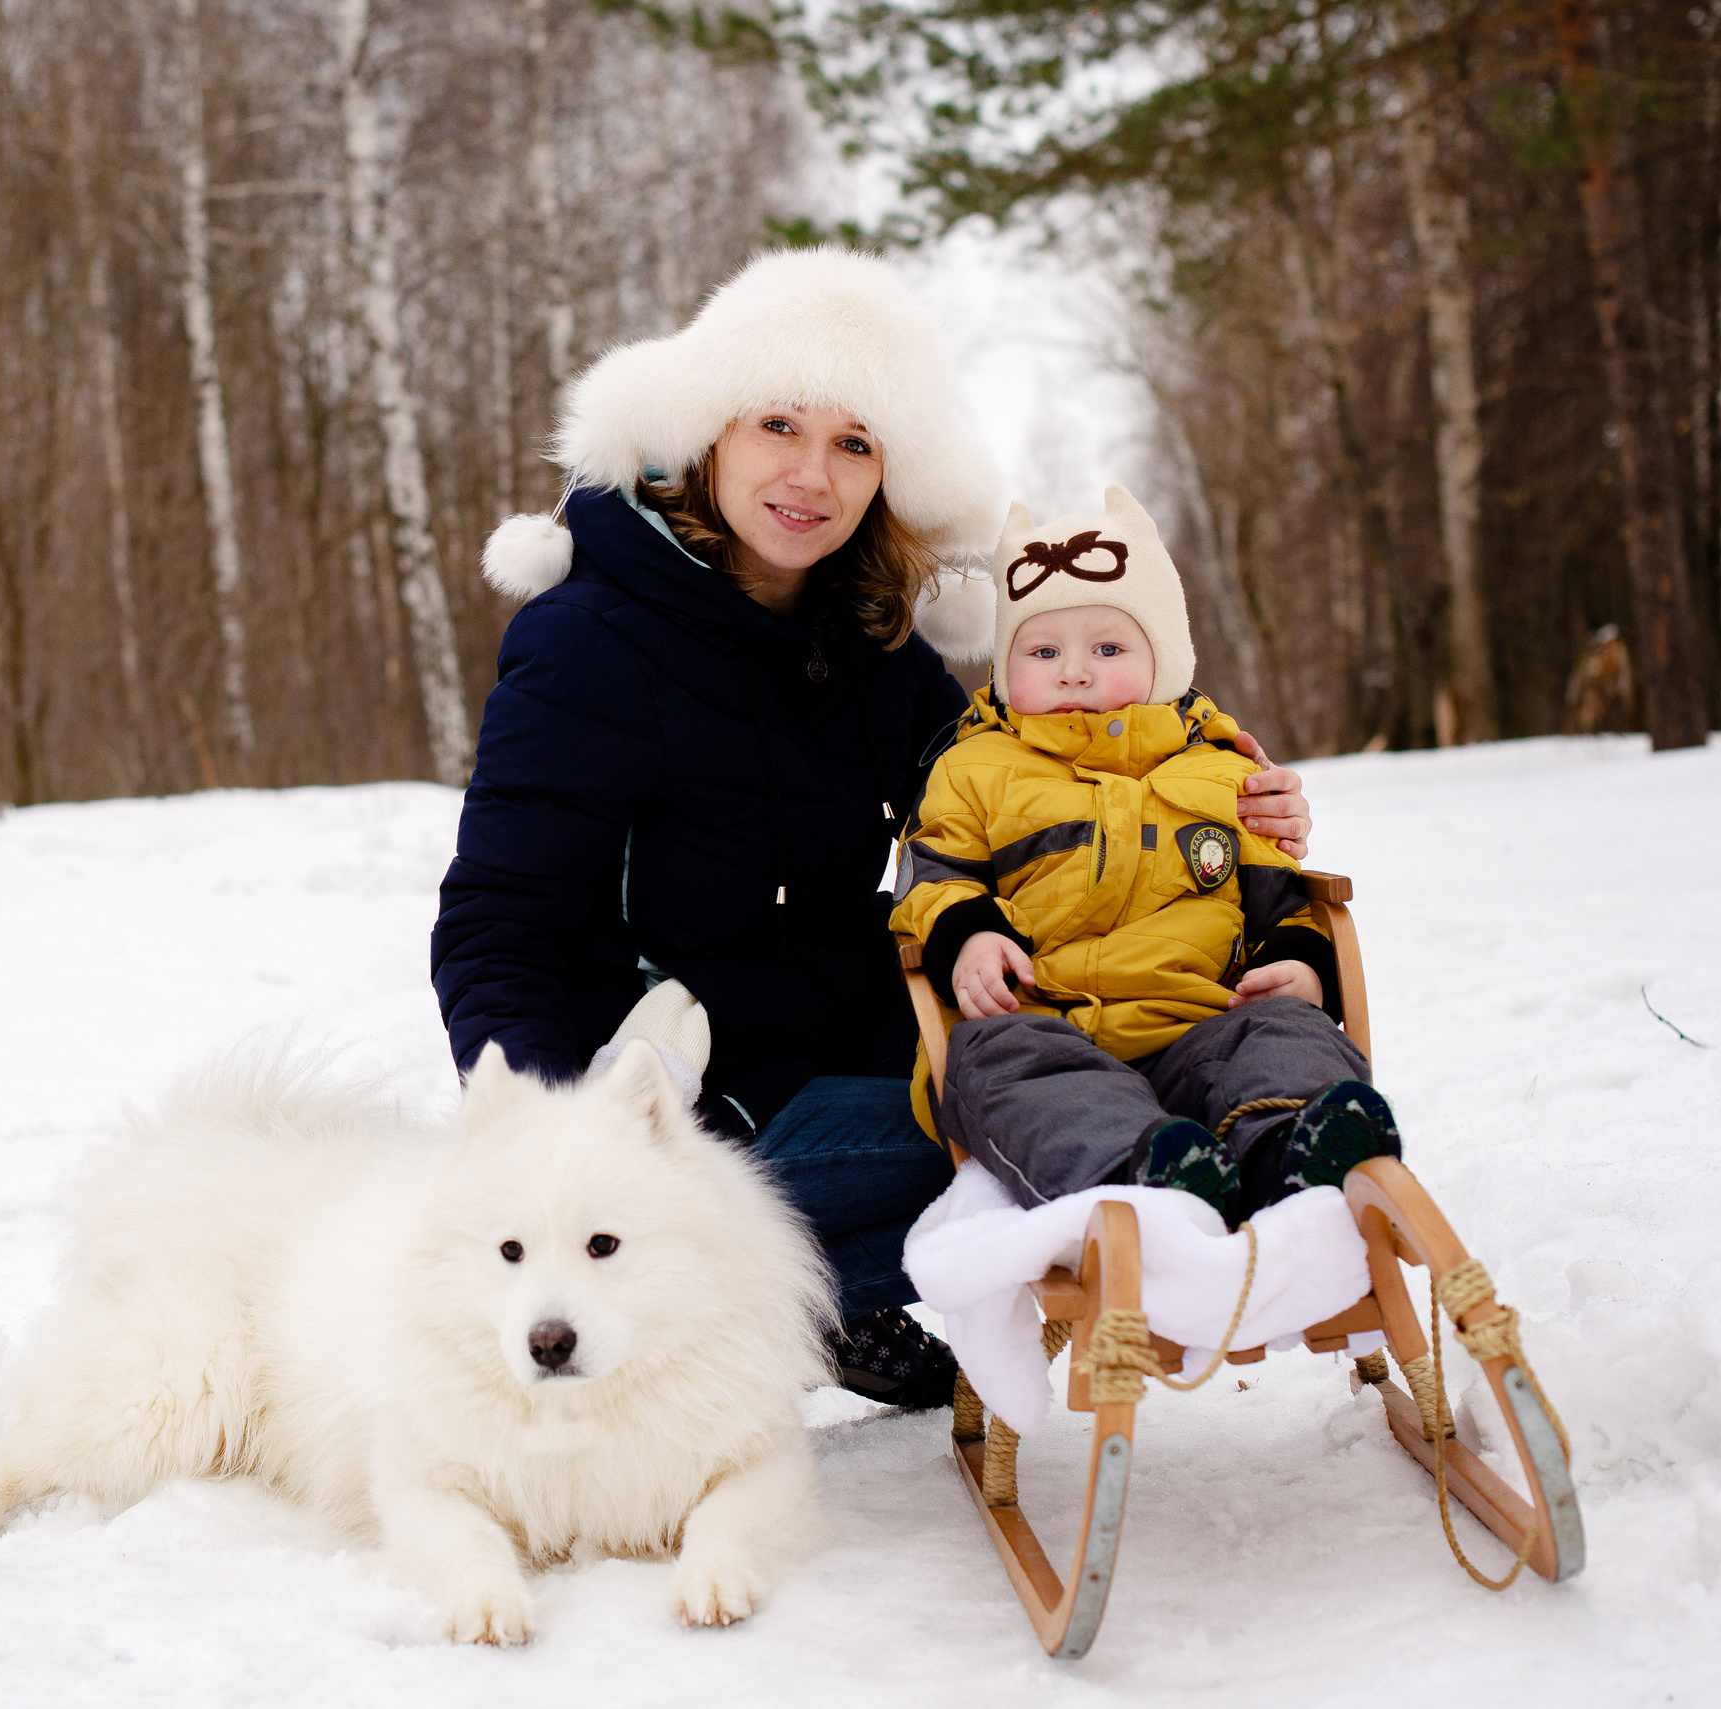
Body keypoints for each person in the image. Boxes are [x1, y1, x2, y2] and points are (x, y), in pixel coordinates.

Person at [432, 251, 1315, 1408]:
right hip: (687, 1096)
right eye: (779, 425)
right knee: (1015, 1141)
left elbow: (1006, 781)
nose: (812, 474)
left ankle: (838, 1289)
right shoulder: (592, 642)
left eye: (854, 442)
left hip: (851, 1027)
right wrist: (557, 1151)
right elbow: (498, 919)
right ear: (708, 433)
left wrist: (1190, 783)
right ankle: (751, 1315)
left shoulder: (872, 639)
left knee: (1079, 1075)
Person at [890, 484, 1391, 1226]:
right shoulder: (975, 768)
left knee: (1285, 1031)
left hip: (1204, 1022)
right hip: (1046, 1022)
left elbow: (1280, 899)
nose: (1074, 671)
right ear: (1006, 663)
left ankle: (1291, 1145)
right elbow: (932, 871)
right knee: (994, 1063)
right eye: (1043, 649)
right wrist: (967, 935)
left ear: (1165, 658)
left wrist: (1302, 961)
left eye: (1109, 647)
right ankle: (1145, 1174)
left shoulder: (1221, 772)